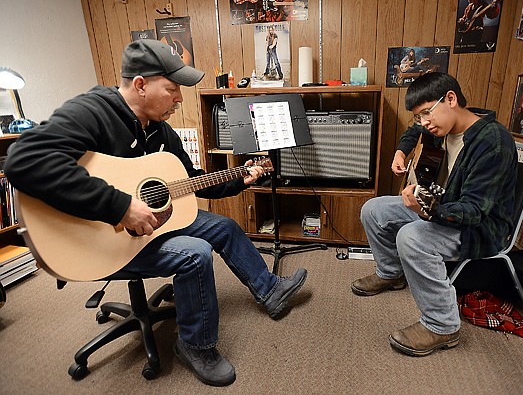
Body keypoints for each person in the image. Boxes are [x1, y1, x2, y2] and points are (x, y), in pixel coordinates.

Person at [4, 39, 308, 386]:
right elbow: (24, 160)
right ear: (140, 85)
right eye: (172, 90)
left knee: (223, 228)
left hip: (154, 227)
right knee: (195, 254)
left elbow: (192, 182)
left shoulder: (161, 132)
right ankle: (195, 346)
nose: (179, 99)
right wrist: (119, 206)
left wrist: (241, 178)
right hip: (99, 242)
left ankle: (269, 290)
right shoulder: (94, 112)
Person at [351, 72, 517, 357]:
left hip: (480, 227)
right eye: (419, 116)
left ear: (450, 99)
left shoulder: (492, 142)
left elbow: (475, 211)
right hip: (444, 208)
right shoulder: (441, 127)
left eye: (426, 113)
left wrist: (428, 209)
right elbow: (413, 133)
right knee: (373, 210)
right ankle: (391, 274)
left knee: (411, 237)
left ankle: (442, 325)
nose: (424, 122)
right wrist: (401, 153)